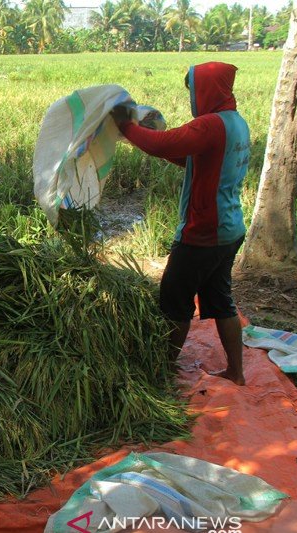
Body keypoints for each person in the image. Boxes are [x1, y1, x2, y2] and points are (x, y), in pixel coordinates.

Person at [111, 62, 250, 385]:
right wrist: (150, 140)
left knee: (175, 302)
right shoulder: (235, 123)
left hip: (203, 232)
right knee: (220, 300)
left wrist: (126, 126)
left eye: (193, 90)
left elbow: (162, 145)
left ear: (207, 90)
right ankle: (236, 373)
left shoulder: (210, 126)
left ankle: (159, 374)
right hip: (230, 229)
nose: (192, 98)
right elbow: (189, 157)